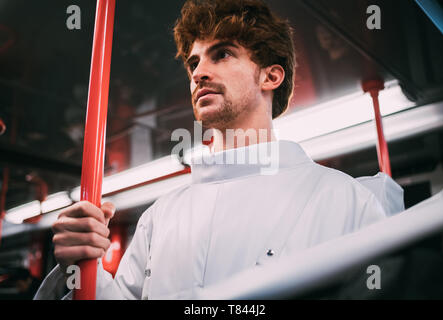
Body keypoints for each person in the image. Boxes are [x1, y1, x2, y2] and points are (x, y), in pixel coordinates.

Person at [34, 0, 387, 300]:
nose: (199, 72)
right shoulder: (160, 217)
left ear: (271, 77)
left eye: (222, 54)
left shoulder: (346, 201)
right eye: (193, 62)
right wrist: (82, 264)